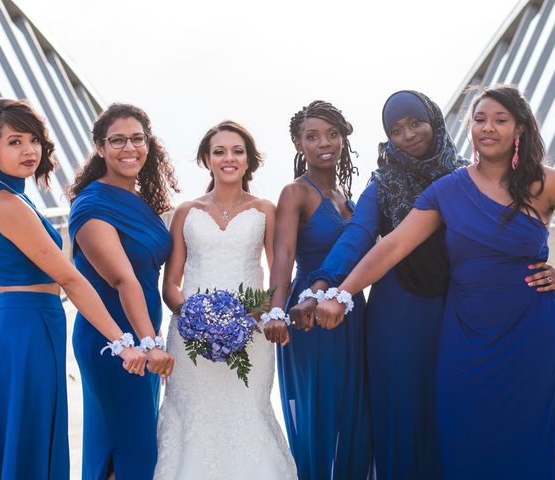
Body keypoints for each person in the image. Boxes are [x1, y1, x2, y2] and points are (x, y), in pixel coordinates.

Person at [314, 85, 555, 479]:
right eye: (479, 120)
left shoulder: (546, 183)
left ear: (520, 128)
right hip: (467, 336)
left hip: (532, 334)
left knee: (532, 440)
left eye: (500, 120)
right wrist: (340, 293)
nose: (487, 128)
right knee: (465, 439)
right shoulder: (448, 189)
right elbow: (392, 247)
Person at [0, 99, 145, 480]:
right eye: (14, 142)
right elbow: (71, 279)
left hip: (11, 326)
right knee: (26, 438)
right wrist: (121, 341)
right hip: (24, 330)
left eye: (33, 140)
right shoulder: (7, 202)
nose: (28, 150)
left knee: (16, 439)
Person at [290, 91, 468, 479]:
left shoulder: (466, 176)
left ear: (434, 121)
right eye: (396, 129)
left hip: (459, 309)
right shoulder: (384, 182)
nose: (408, 135)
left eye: (415, 123)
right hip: (398, 313)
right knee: (401, 410)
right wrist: (321, 287)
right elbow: (357, 234)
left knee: (453, 407)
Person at [154, 120, 297, 479]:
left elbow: (277, 270)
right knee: (192, 418)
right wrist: (194, 320)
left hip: (250, 334)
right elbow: (171, 283)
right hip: (190, 340)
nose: (228, 158)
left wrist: (252, 315)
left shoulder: (265, 209)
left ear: (249, 160)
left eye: (237, 151)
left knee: (248, 413)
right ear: (207, 159)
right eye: (219, 151)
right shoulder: (186, 212)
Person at [263, 100, 371, 479]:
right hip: (307, 315)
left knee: (353, 409)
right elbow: (283, 254)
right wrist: (276, 311)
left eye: (332, 134)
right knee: (320, 410)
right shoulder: (296, 193)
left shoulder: (348, 195)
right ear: (298, 143)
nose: (324, 142)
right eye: (312, 136)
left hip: (353, 311)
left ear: (343, 138)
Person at [68, 103, 177, 479]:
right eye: (118, 140)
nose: (129, 148)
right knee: (125, 450)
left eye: (137, 139)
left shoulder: (142, 202)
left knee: (135, 447)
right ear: (100, 147)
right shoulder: (91, 205)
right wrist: (149, 342)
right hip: (113, 343)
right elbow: (123, 279)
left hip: (144, 337)